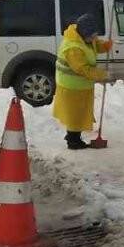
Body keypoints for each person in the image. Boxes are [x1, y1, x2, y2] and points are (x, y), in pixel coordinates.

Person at [52, 13, 112, 150]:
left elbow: (96, 46)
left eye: (95, 35)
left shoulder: (85, 39)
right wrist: (102, 75)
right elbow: (83, 69)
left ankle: (73, 136)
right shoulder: (73, 47)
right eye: (92, 35)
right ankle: (73, 142)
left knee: (79, 113)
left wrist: (106, 46)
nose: (94, 38)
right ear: (84, 33)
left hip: (81, 86)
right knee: (75, 116)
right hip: (71, 88)